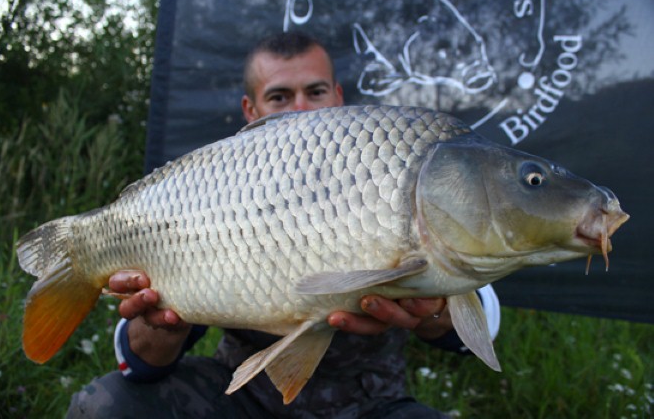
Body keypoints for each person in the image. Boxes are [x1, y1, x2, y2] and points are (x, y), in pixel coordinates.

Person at [67, 32, 500, 418]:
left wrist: (435, 314)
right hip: (243, 396)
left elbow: (482, 318)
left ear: (338, 96)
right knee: (106, 405)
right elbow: (139, 364)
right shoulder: (213, 186)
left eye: (314, 91)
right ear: (250, 110)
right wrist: (164, 319)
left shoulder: (386, 168)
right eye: (278, 97)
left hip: (372, 403)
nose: (299, 109)